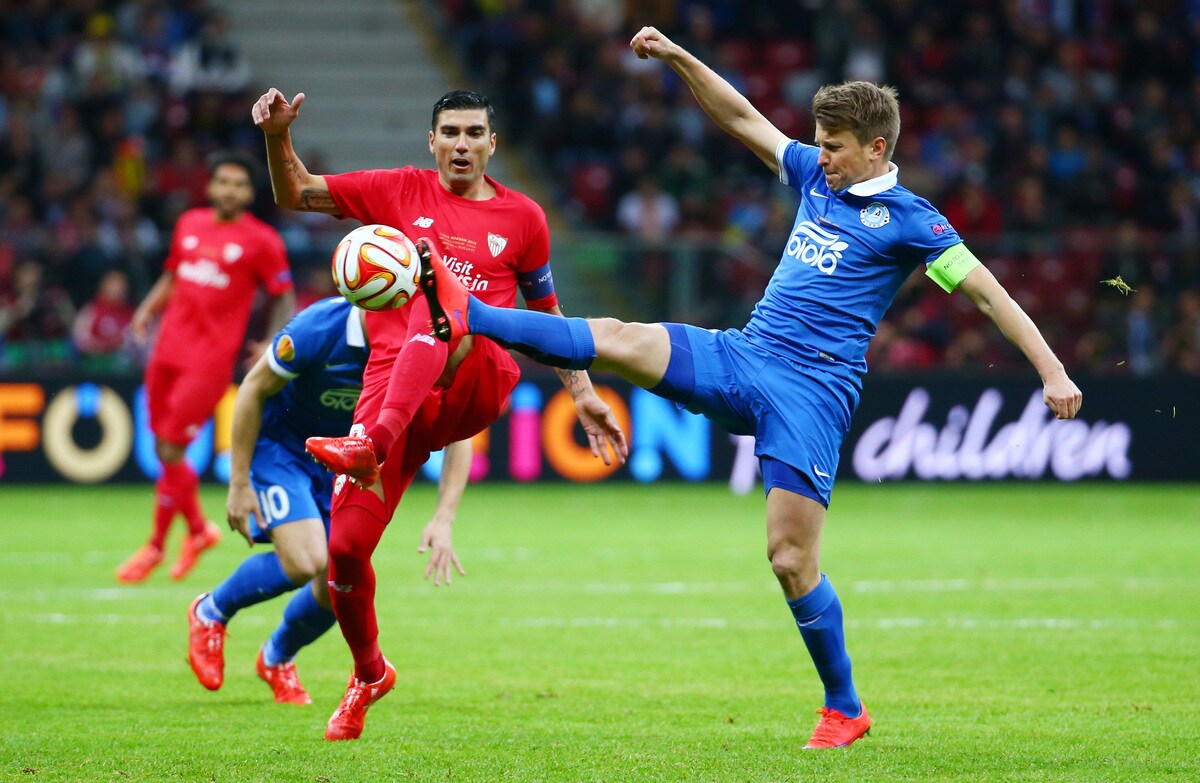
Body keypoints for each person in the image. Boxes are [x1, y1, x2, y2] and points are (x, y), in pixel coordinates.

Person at [417, 27, 1084, 749]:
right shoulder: (814, 175)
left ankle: (844, 707)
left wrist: (1051, 370)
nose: (819, 157)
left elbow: (988, 294)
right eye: (818, 144)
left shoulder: (914, 223)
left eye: (833, 147)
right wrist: (678, 57)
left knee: (790, 560)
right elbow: (741, 118)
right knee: (618, 337)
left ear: (876, 149)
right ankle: (468, 311)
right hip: (745, 354)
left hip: (812, 392)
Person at [252, 87, 626, 739]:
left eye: (474, 132)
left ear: (492, 144)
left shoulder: (524, 218)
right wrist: (277, 136)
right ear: (431, 141)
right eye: (450, 132)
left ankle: (371, 444)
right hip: (392, 390)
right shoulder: (397, 189)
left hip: (478, 374)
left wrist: (582, 390)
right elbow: (297, 194)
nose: (461, 143)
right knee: (344, 551)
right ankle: (368, 673)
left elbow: (547, 314)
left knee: (440, 295)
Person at [184, 296, 476, 704]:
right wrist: (239, 481)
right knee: (305, 560)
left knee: (339, 582)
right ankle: (210, 611)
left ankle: (276, 657)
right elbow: (252, 387)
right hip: (283, 448)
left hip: (346, 460)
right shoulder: (316, 329)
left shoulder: (417, 340)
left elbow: (458, 430)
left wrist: (444, 517)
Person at [116, 150, 296, 584]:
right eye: (223, 181)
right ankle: (196, 532)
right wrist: (146, 309)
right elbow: (173, 275)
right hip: (166, 351)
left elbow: (283, 295)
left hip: (209, 361)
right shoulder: (189, 224)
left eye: (239, 184)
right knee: (164, 447)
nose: (230, 190)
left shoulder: (262, 241)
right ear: (211, 185)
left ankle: (162, 543)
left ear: (250, 193)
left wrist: (272, 341)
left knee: (171, 449)